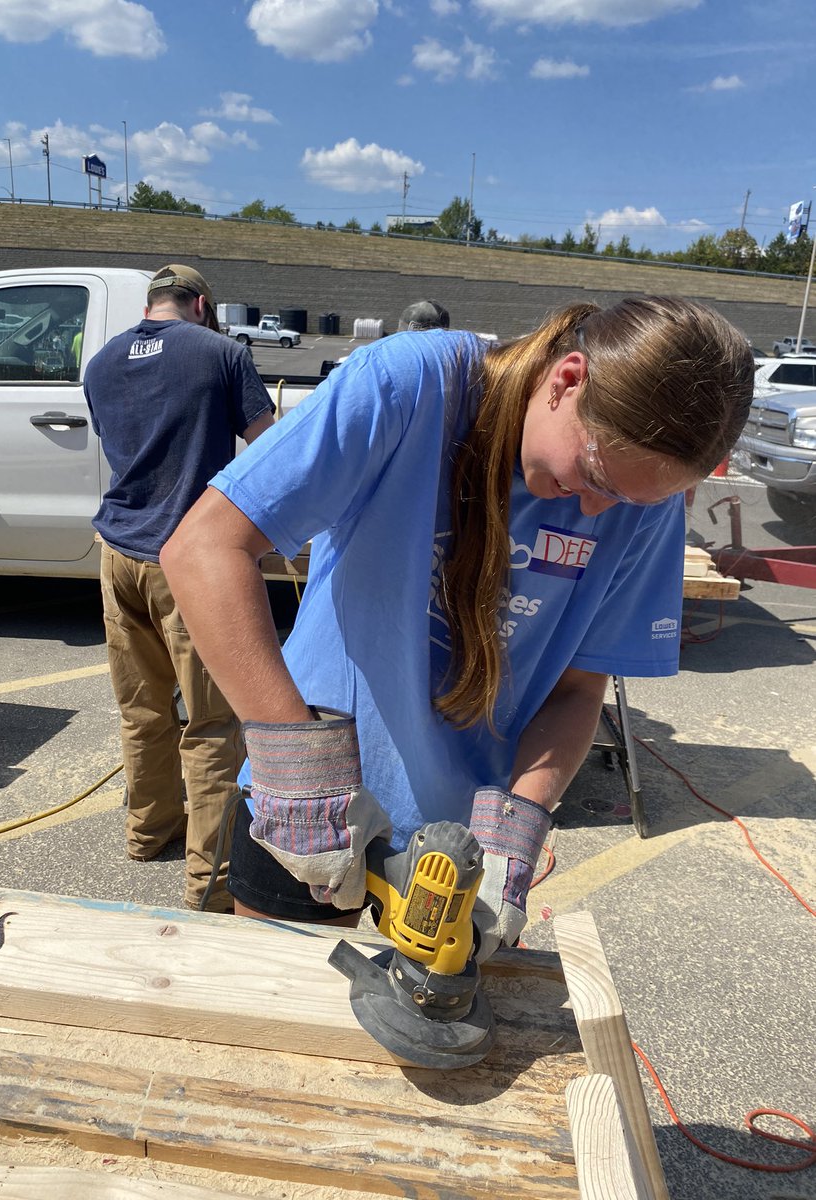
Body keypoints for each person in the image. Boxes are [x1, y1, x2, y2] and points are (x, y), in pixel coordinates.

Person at [160, 295, 753, 954]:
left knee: (435, 1010)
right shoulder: (413, 387)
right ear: (567, 380)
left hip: (463, 834)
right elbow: (205, 549)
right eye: (594, 476)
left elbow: (576, 690)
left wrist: (519, 821)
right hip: (311, 790)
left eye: (628, 500)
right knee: (282, 1000)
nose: (595, 509)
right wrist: (297, 777)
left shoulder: (643, 502)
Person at [83, 263, 274, 912]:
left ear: (151, 305)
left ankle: (148, 832)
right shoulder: (222, 354)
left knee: (142, 709)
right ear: (199, 305)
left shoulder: (101, 364)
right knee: (213, 724)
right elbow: (269, 450)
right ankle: (209, 884)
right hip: (187, 561)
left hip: (117, 554)